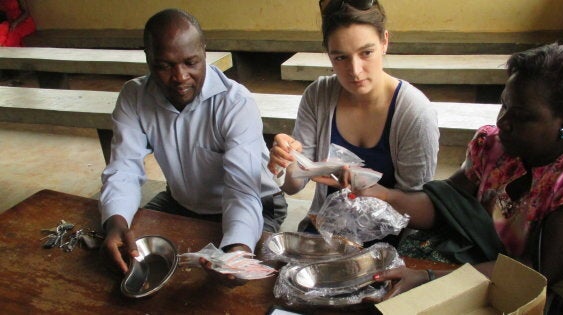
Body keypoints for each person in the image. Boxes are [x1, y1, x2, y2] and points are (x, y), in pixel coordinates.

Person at [371, 43, 563, 314]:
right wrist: (385, 198)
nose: (504, 121)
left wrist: (429, 278)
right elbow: (448, 204)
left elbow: (536, 272)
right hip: (487, 271)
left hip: (559, 302)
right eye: (504, 105)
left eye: (522, 116)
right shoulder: (495, 145)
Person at [99, 9, 287, 280]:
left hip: (256, 200)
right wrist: (115, 220)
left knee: (233, 283)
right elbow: (123, 169)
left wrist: (237, 250)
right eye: (164, 66)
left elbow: (242, 191)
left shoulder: (234, 103)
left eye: (191, 62)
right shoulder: (134, 97)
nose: (180, 77)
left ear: (205, 53)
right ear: (148, 59)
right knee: (132, 255)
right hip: (181, 202)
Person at [267, 0, 439, 239]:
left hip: (389, 242)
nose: (355, 70)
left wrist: (381, 194)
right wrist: (285, 161)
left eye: (366, 53)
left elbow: (421, 211)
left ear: (385, 42)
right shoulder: (318, 96)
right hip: (325, 233)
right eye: (340, 58)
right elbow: (293, 185)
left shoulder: (413, 112)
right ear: (328, 55)